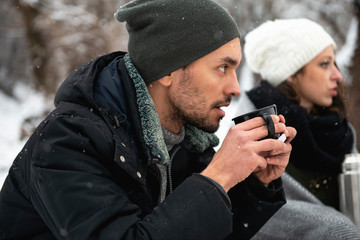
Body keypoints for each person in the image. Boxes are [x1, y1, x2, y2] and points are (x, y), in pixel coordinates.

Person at [0, 1, 296, 239]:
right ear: (167, 70)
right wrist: (218, 177)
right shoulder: (68, 140)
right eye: (222, 67)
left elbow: (204, 229)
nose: (235, 87)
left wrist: (255, 184)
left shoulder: (185, 141)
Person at [239, 18, 358, 210]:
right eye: (325, 64)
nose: (338, 75)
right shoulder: (255, 133)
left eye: (334, 63)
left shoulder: (340, 130)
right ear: (292, 74)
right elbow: (258, 214)